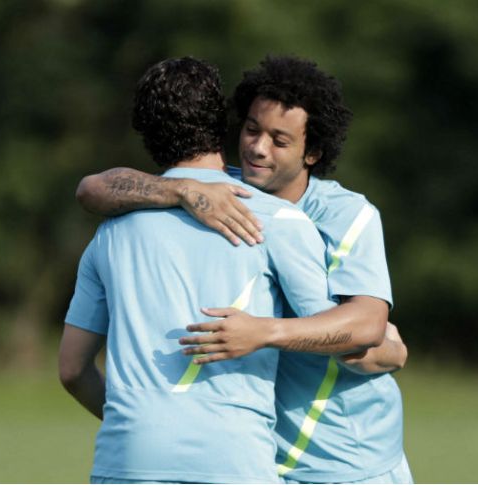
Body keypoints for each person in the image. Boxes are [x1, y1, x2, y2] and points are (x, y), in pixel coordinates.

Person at [75, 55, 413, 484]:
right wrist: (181, 190)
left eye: (279, 140)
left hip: (345, 459)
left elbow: (369, 329)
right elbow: (93, 188)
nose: (257, 147)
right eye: (252, 129)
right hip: (259, 458)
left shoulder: (347, 215)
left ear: (313, 152)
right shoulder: (221, 189)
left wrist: (264, 332)